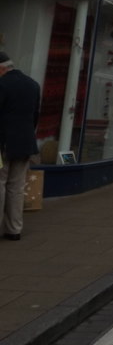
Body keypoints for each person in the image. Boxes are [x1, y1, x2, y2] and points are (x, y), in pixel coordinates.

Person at [0, 52, 41, 239]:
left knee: (0, 184)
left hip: (2, 144)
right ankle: (14, 229)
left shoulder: (2, 84)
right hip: (24, 144)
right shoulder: (33, 85)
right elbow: (35, 116)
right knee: (16, 187)